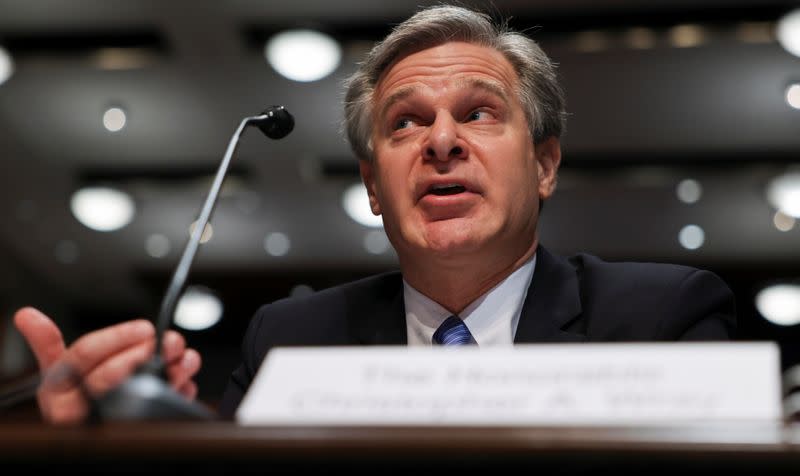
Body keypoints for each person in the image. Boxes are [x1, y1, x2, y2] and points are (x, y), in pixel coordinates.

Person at [12, 4, 736, 425]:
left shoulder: (662, 317)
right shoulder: (289, 342)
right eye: (406, 124)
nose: (442, 142)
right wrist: (120, 446)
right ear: (372, 186)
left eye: (479, 114)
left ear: (544, 164)